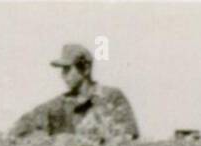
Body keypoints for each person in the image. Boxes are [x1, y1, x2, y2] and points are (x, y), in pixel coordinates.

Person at [10, 43, 139, 140]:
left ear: (86, 69)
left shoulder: (111, 98)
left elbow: (128, 137)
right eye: (62, 70)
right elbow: (19, 129)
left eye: (67, 69)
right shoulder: (56, 106)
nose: (63, 75)